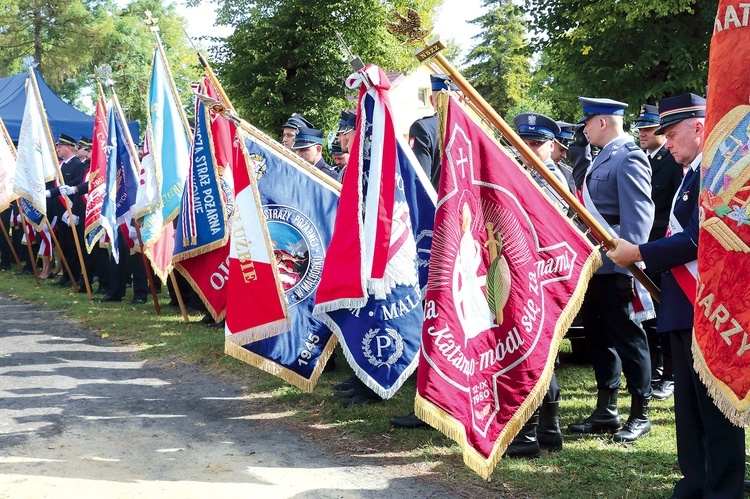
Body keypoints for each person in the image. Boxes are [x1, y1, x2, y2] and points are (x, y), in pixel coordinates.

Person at [607, 93, 745, 497]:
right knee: (689, 408)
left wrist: (641, 253)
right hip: (686, 305)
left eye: (672, 132)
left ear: (699, 127)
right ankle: (696, 482)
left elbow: (702, 236)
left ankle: (722, 488)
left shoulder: (719, 173)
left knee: (716, 409)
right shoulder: (692, 173)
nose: (666, 141)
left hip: (711, 305)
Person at [567, 97, 655, 444]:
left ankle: (641, 413)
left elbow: (638, 220)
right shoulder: (601, 158)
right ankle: (607, 409)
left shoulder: (629, 156)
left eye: (587, 122)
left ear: (602, 122)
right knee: (599, 340)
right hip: (594, 266)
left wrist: (628, 267)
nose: (584, 129)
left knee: (629, 340)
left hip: (617, 268)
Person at [634, 104, 683, 401]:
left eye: (649, 128)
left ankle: (671, 375)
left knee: (666, 312)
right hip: (649, 249)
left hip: (665, 249)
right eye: (640, 128)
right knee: (651, 315)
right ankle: (656, 370)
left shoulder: (673, 162)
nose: (642, 133)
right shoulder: (650, 160)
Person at [47, 133, 88, 288]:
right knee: (64, 245)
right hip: (60, 211)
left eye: (60, 146)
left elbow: (77, 189)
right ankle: (66, 274)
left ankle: (75, 275)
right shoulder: (61, 165)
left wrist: (74, 211)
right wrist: (49, 193)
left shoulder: (78, 165)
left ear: (69, 147)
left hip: (72, 210)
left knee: (73, 246)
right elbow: (57, 187)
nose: (57, 149)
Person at [408, 74, 459, 189]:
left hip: (437, 205)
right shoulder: (470, 130)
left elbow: (420, 179)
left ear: (431, 100)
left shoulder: (422, 128)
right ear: (460, 99)